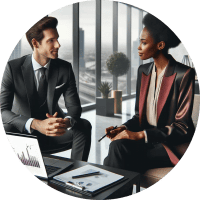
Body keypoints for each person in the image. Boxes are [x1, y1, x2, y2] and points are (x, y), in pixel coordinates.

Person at [103, 13, 195, 196]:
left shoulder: (183, 74)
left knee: (114, 158)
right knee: (117, 147)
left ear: (160, 45)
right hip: (147, 143)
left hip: (170, 145)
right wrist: (122, 128)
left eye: (144, 42)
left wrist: (139, 136)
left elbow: (182, 127)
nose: (138, 47)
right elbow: (139, 116)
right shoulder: (143, 71)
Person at [0, 17, 91, 162]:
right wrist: (36, 124)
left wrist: (63, 123)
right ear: (35, 43)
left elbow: (75, 110)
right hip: (23, 135)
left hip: (54, 135)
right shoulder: (13, 68)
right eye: (51, 40)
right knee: (6, 129)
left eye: (57, 39)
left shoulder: (64, 68)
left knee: (84, 126)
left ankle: (76, 173)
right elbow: (2, 111)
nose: (58, 45)